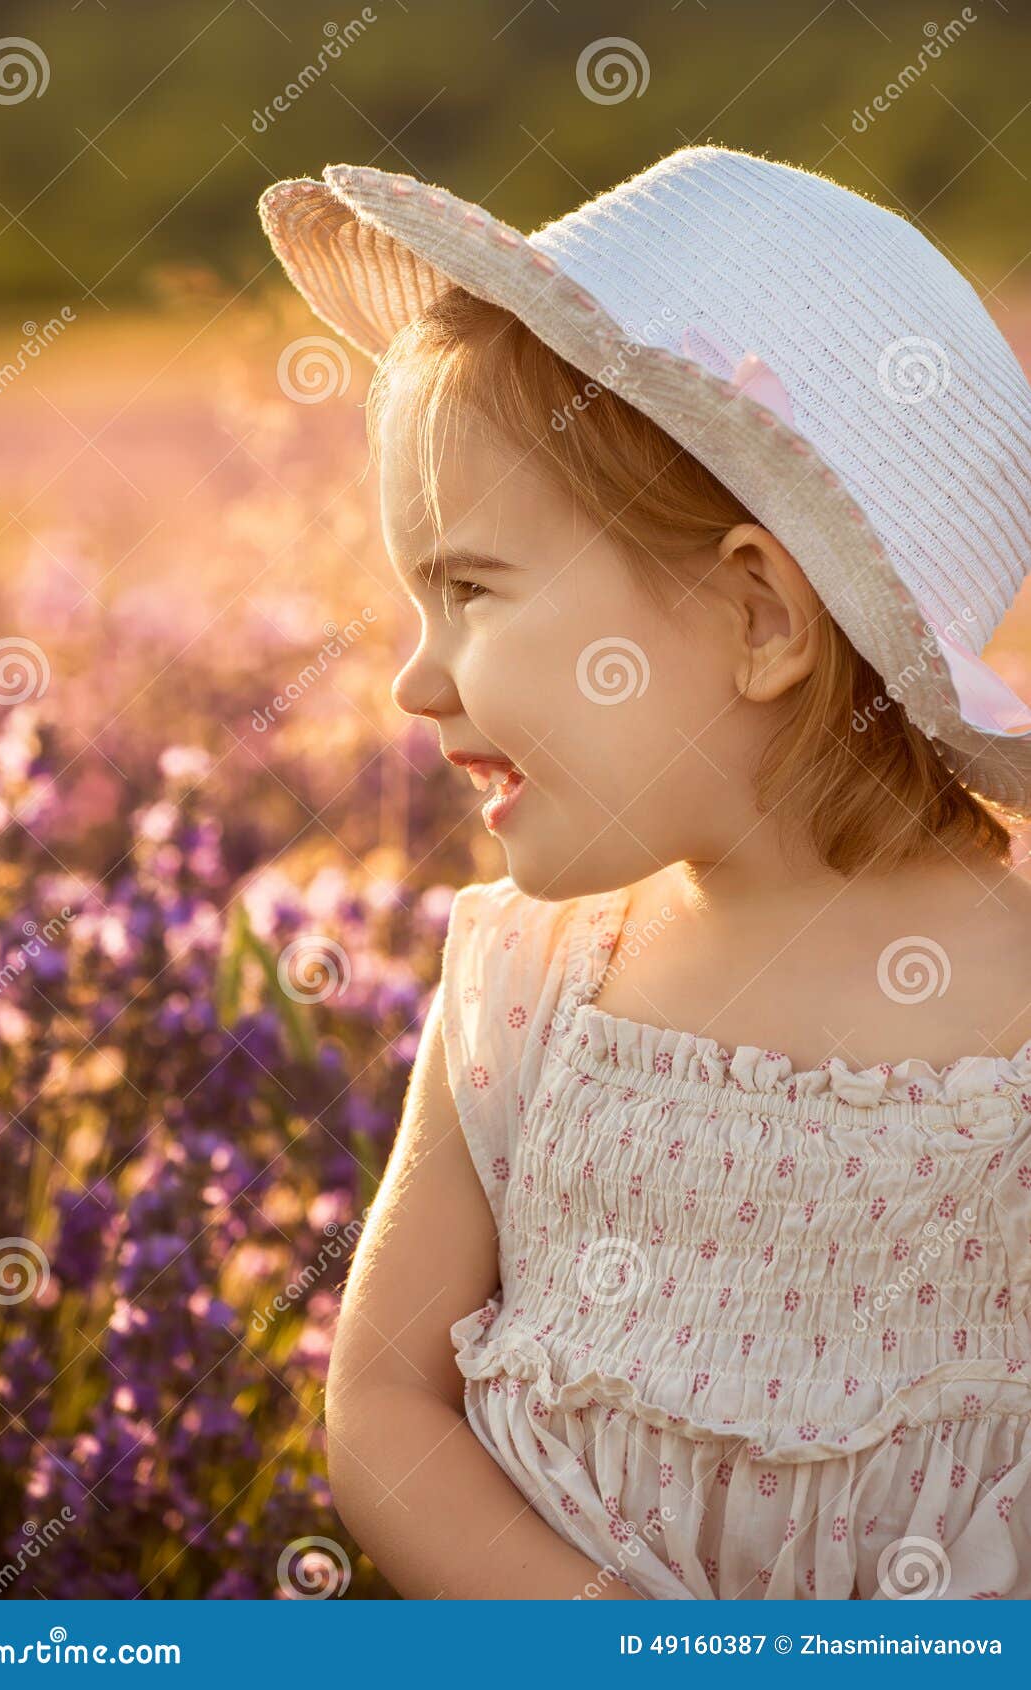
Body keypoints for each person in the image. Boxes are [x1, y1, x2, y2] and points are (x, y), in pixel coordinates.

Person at [257, 143, 1031, 1599]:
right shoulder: (527, 984)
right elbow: (381, 1406)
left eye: (469, 589)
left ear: (755, 614)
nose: (414, 682)